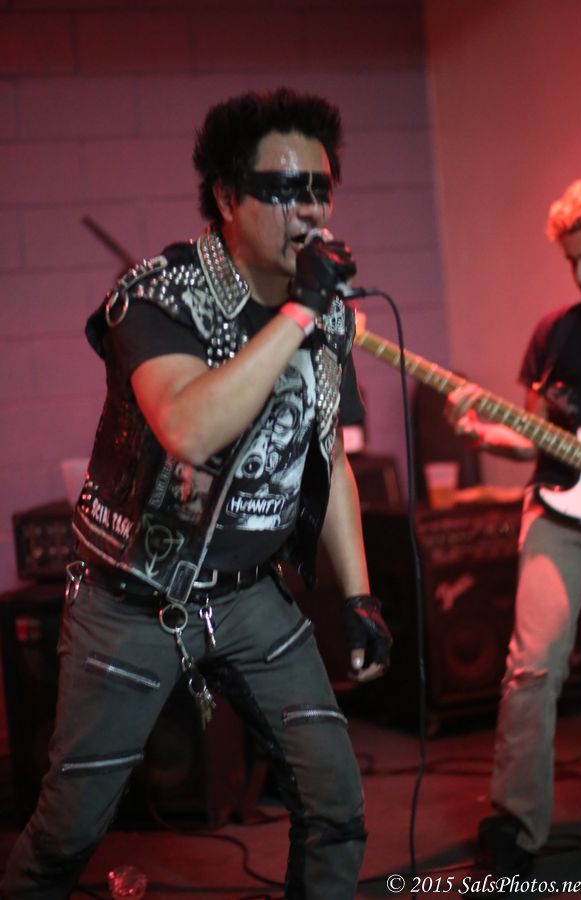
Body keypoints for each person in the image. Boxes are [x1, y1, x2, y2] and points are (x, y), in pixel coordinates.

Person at [1, 88, 392, 900]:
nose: (310, 209)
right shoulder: (158, 293)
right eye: (283, 189)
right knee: (68, 831)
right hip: (130, 599)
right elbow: (186, 425)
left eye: (321, 188)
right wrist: (301, 311)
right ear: (226, 195)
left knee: (336, 804)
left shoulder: (326, 316)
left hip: (250, 596)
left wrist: (359, 594)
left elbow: (326, 454)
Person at [445, 178, 581, 877]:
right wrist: (480, 432)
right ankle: (514, 826)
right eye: (574, 261)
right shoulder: (553, 333)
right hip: (559, 511)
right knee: (531, 667)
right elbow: (532, 436)